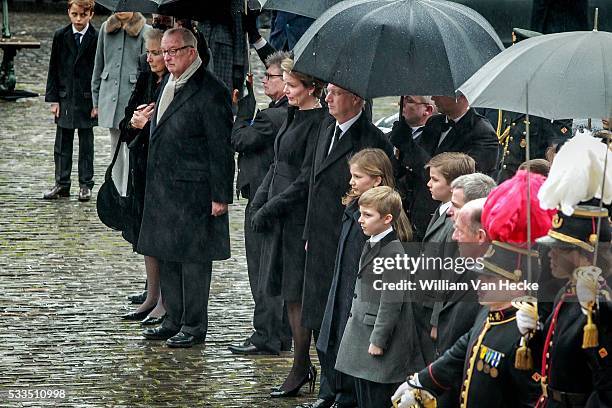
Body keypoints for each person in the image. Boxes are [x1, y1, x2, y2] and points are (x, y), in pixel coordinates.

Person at [139, 28, 234, 348]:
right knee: (167, 254)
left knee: (193, 260)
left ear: (191, 52)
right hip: (164, 188)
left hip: (195, 189)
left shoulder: (211, 90)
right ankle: (173, 318)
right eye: (163, 52)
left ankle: (194, 325)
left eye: (173, 51)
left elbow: (221, 147)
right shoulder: (167, 82)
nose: (166, 57)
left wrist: (221, 196)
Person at [300, 84, 394, 408]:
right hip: (324, 238)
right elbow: (313, 181)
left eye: (335, 93)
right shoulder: (325, 126)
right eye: (326, 92)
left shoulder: (372, 140)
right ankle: (329, 387)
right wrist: (308, 232)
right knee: (322, 317)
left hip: (354, 236)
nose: (327, 99)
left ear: (356, 99)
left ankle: (346, 392)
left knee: (346, 317)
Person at [393, 223, 542, 408]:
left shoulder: (524, 334)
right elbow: (461, 351)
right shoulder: (488, 314)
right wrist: (420, 382)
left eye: (489, 279)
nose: (479, 283)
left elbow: (532, 400)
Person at [249, 57, 326, 397]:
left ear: (311, 89)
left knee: (296, 292)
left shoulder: (318, 122)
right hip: (278, 210)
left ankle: (300, 364)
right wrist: (261, 198)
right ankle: (299, 363)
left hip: (295, 216)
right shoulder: (293, 114)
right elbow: (278, 162)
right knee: (284, 290)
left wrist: (271, 207)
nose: (288, 92)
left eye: (293, 86)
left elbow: (304, 179)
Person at [314, 149, 407, 408]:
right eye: (351, 176)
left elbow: (390, 297)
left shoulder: (384, 229)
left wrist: (378, 338)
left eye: (358, 176)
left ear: (377, 180)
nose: (352, 182)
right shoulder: (359, 210)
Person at [227, 50, 292, 356]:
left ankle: (266, 333)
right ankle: (279, 332)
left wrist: (242, 109)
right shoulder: (282, 112)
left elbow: (239, 139)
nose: (265, 80)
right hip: (276, 198)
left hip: (264, 198)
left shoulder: (271, 116)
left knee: (262, 269)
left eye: (270, 76)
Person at [518, 206, 612, 408]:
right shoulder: (566, 293)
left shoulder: (599, 304)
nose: (550, 254)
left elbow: (607, 384)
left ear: (585, 253)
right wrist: (533, 335)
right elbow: (556, 361)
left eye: (560, 248)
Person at [335, 186, 414, 408]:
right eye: (361, 213)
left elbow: (391, 302)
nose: (361, 220)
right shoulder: (373, 242)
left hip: (376, 339)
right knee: (363, 395)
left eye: (368, 215)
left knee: (375, 398)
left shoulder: (392, 252)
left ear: (387, 218)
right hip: (362, 333)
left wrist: (378, 340)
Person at [392, 94, 498, 240]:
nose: (434, 98)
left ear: (460, 97)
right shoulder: (435, 122)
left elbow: (460, 180)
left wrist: (409, 146)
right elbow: (415, 171)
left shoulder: (481, 132)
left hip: (449, 220)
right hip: (417, 212)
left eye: (440, 93)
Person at [117, 29, 167, 325]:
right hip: (142, 164)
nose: (150, 59)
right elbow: (126, 121)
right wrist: (135, 123)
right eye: (148, 53)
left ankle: (163, 299)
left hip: (163, 167)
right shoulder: (147, 78)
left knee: (160, 233)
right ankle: (151, 294)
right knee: (145, 231)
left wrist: (147, 124)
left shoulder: (174, 83)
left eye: (156, 53)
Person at [43, 0, 97, 201]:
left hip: (86, 98)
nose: (79, 19)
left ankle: (85, 184)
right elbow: (53, 69)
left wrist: (97, 101)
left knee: (86, 144)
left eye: (83, 15)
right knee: (62, 143)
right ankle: (62, 183)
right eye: (74, 14)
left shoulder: (96, 37)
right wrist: (54, 100)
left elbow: (99, 71)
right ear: (69, 13)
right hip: (65, 97)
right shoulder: (61, 35)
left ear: (91, 14)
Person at [92, 11, 149, 197]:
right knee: (115, 147)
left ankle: (129, 189)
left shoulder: (144, 31)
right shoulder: (105, 29)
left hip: (132, 97)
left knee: (131, 147)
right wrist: (96, 100)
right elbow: (98, 65)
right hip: (110, 98)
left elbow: (145, 71)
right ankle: (117, 191)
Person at [388, 95, 436, 215]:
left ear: (427, 110)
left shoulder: (434, 137)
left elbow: (427, 169)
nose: (402, 104)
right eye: (402, 100)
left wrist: (406, 144)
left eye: (409, 101)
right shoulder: (392, 135)